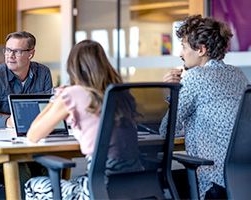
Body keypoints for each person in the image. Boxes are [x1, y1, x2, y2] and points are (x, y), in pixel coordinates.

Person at [25, 40, 142, 200]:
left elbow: (33, 135)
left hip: (98, 187)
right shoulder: (121, 93)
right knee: (74, 181)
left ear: (73, 67)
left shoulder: (73, 93)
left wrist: (54, 100)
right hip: (135, 184)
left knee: (32, 185)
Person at [160, 15, 249, 199]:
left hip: (213, 184)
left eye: (184, 47)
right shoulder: (238, 75)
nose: (180, 53)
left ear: (201, 49)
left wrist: (170, 91)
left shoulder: (196, 77)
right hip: (242, 180)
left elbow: (166, 131)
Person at [0, 31, 53, 128]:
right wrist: (9, 122)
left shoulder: (43, 73)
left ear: (30, 54)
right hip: (2, 135)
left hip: (36, 130)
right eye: (8, 50)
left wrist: (6, 116)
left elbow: (49, 110)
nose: (10, 55)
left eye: (17, 51)